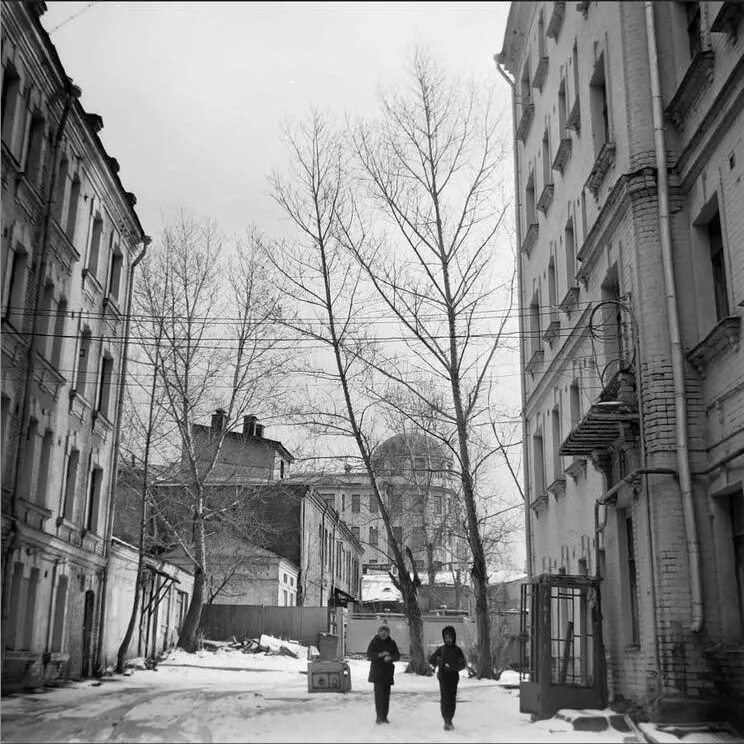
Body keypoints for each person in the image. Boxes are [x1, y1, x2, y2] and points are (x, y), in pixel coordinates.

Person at [428, 625, 467, 731]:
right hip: (443, 678)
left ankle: (450, 718)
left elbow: (463, 664)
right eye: (446, 638)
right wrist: (437, 663)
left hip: (453, 678)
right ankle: (447, 721)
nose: (448, 639)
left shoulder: (457, 650)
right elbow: (432, 659)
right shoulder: (441, 649)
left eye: (450, 637)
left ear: (453, 637)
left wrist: (452, 667)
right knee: (445, 699)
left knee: (452, 699)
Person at [366, 623, 401, 724]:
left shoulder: (392, 643)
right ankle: (379, 716)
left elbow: (397, 656)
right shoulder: (374, 642)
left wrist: (390, 657)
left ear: (388, 633)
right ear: (378, 633)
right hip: (377, 672)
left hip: (388, 672)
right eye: (381, 631)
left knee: (386, 696)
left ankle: (385, 716)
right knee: (379, 696)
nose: (383, 633)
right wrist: (380, 655)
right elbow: (369, 654)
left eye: (385, 632)